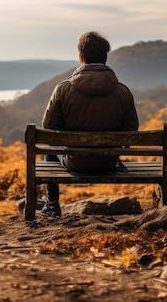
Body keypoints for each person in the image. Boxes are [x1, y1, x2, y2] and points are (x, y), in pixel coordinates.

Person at [40, 31, 139, 217]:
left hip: (75, 162)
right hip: (109, 162)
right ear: (106, 57)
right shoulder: (123, 92)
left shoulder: (63, 90)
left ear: (80, 57)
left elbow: (49, 128)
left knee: (47, 147)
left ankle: (52, 204)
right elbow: (131, 130)